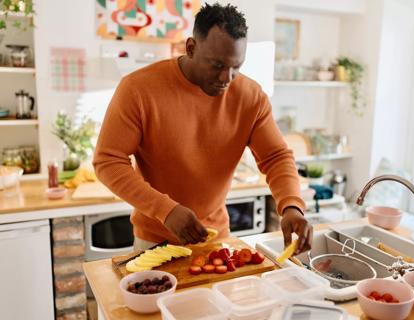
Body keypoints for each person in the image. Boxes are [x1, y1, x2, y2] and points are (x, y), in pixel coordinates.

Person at [93, 3, 313, 255]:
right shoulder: (138, 89)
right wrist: (166, 210)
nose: (226, 79)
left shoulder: (251, 97)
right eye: (217, 65)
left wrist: (291, 206)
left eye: (236, 67)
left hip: (216, 238)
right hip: (155, 241)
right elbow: (108, 161)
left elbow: (276, 157)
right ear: (191, 47)